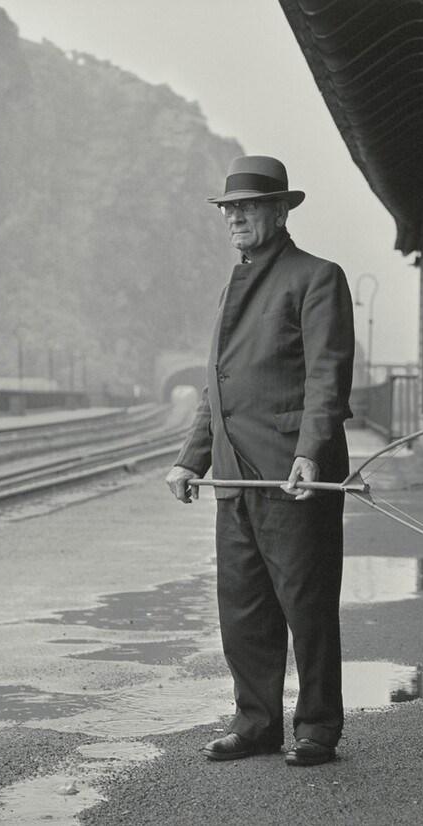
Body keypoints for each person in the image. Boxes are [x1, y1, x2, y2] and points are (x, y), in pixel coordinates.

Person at [165, 155, 354, 767]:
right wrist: (191, 459)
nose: (236, 218)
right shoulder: (229, 288)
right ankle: (256, 725)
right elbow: (217, 388)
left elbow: (327, 378)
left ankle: (318, 728)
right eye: (229, 209)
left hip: (293, 475)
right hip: (233, 477)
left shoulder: (318, 277)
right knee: (243, 609)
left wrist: (310, 454)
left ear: (280, 210)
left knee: (308, 604)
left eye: (247, 207)